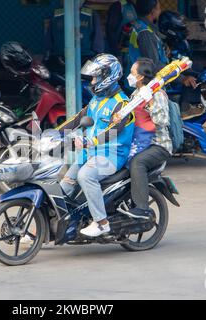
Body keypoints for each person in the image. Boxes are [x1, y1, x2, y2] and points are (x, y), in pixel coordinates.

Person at [58, 54, 135, 238]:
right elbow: (76, 119)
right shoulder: (95, 100)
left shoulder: (122, 104)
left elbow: (114, 130)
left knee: (85, 176)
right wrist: (54, 134)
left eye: (95, 77)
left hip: (111, 155)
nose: (92, 81)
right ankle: (43, 228)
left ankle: (101, 222)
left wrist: (89, 141)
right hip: (90, 153)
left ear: (107, 76)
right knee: (64, 186)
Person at [126, 58, 172, 218]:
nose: (129, 76)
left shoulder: (157, 93)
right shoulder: (134, 95)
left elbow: (162, 121)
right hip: (139, 142)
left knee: (137, 162)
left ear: (140, 77)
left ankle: (142, 208)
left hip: (158, 145)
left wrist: (150, 99)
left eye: (132, 73)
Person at [128, 0, 197, 90]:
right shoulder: (146, 33)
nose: (160, 11)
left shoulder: (139, 24)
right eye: (159, 8)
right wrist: (182, 78)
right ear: (153, 11)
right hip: (144, 87)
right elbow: (154, 65)